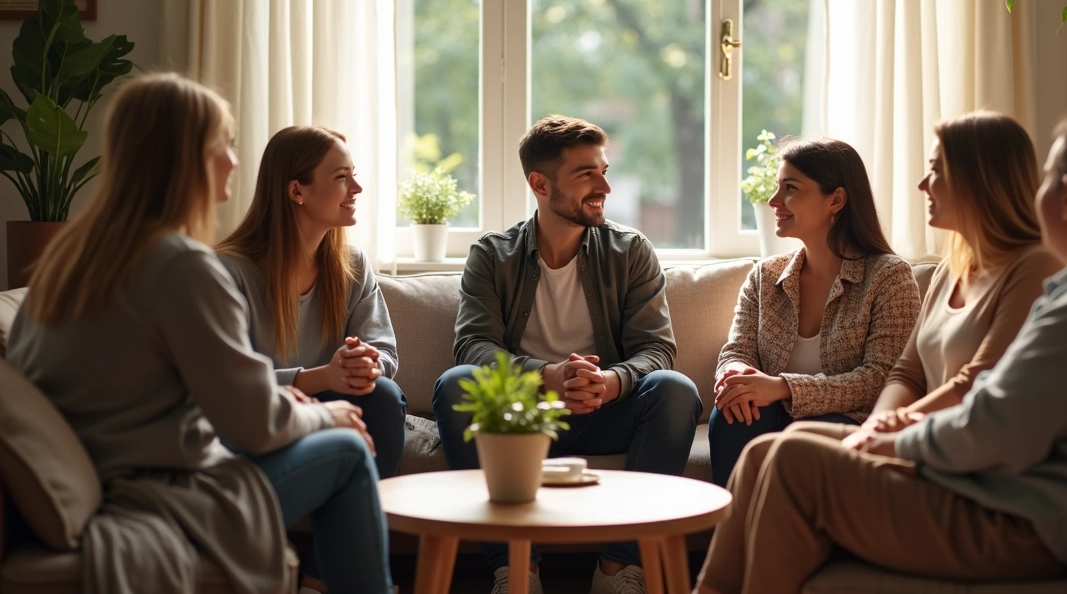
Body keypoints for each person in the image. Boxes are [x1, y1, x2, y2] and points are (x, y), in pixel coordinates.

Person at [693, 110, 1067, 593]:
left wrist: (890, 442)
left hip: (1021, 519)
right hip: (994, 490)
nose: (1037, 192)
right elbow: (936, 384)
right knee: (764, 452)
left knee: (792, 461)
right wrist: (887, 432)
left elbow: (993, 425)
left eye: (1048, 178)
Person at [7, 74, 393, 594]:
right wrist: (327, 412)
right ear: (186, 157)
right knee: (346, 449)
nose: (235, 161)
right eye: (225, 145)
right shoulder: (181, 265)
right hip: (161, 492)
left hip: (106, 480)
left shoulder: (66, 258)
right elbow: (251, 420)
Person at [432, 114, 702, 594]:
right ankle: (515, 570)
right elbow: (472, 347)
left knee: (675, 391)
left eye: (603, 170)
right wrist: (546, 376)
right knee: (455, 385)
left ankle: (619, 567)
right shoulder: (491, 256)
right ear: (540, 184)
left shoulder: (630, 250)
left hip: (605, 411)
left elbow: (656, 349)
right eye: (586, 174)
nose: (605, 186)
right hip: (521, 419)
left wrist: (612, 382)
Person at [707, 138, 920, 486]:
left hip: (847, 422)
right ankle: (735, 532)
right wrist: (735, 375)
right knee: (733, 415)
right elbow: (737, 349)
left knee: (797, 436)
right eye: (778, 188)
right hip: (773, 418)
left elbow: (880, 378)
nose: (774, 201)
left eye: (790, 189)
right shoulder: (766, 275)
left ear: (835, 199)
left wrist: (782, 388)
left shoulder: (889, 276)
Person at [843, 112, 1060, 448]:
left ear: (979, 180)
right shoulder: (950, 269)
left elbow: (977, 381)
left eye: (936, 170)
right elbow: (907, 372)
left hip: (956, 454)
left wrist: (893, 430)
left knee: (789, 451)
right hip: (911, 436)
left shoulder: (1035, 267)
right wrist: (874, 426)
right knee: (775, 444)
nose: (923, 184)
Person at [216, 125, 406, 481]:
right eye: (341, 177)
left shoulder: (352, 264)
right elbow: (226, 385)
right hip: (260, 416)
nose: (357, 189)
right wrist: (323, 376)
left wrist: (364, 363)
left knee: (382, 394)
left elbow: (383, 349)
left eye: (354, 175)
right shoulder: (229, 271)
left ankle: (373, 512)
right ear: (297, 190)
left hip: (334, 405)